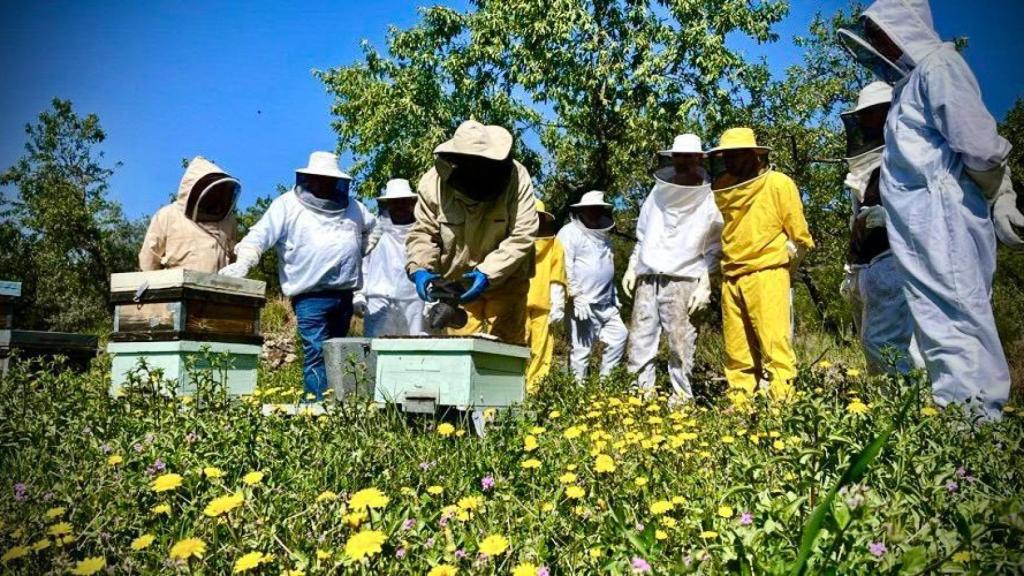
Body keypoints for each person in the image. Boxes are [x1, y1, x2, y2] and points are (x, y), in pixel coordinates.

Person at [840, 0, 1024, 419]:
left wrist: (1001, 192)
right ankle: (958, 425)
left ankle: (978, 429)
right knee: (937, 326)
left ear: (901, 25)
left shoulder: (939, 67)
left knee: (959, 321)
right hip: (921, 226)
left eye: (878, 32)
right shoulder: (909, 87)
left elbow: (977, 143)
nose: (875, 44)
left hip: (944, 219)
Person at [219, 151, 376, 400]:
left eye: (327, 179)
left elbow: (373, 227)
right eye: (318, 178)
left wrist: (362, 248)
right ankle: (317, 407)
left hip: (344, 295)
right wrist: (244, 262)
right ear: (308, 178)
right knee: (316, 350)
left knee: (338, 352)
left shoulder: (354, 207)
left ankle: (339, 406)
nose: (322, 183)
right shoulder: (286, 205)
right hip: (309, 296)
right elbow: (259, 236)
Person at [405, 120, 538, 344]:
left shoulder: (517, 176)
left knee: (508, 348)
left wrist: (488, 273)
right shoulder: (432, 184)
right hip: (457, 282)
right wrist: (420, 268)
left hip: (507, 276)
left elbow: (523, 233)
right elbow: (423, 233)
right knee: (461, 347)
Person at [708, 128, 814, 406]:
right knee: (737, 352)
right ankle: (741, 408)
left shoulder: (779, 183)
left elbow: (799, 235)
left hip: (767, 273)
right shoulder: (724, 187)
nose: (729, 161)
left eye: (735, 155)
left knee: (775, 349)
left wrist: (787, 268)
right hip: (731, 276)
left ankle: (782, 408)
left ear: (754, 155)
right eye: (725, 156)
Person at [621, 134, 723, 403]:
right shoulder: (658, 192)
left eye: (689, 156)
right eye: (679, 156)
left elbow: (714, 244)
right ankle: (640, 398)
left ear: (699, 158)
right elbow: (644, 232)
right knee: (640, 340)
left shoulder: (710, 198)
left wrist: (706, 281)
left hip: (685, 277)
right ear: (672, 157)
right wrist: (633, 265)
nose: (683, 161)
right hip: (648, 275)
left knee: (680, 343)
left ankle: (681, 401)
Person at [839, 82, 922, 375]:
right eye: (863, 115)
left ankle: (902, 409)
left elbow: (935, 208)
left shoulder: (912, 156)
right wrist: (851, 267)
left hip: (899, 260)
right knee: (891, 344)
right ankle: (903, 408)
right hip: (869, 267)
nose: (865, 121)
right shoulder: (862, 171)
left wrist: (891, 218)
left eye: (872, 113)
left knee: (882, 343)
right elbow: (856, 222)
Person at [558, 190, 628, 381]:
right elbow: (565, 265)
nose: (595, 213)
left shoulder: (603, 236)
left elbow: (608, 267)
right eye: (592, 209)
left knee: (620, 336)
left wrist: (615, 298)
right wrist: (575, 295)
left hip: (606, 304)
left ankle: (606, 386)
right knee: (581, 349)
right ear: (583, 210)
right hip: (582, 303)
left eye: (598, 209)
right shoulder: (569, 233)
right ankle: (576, 394)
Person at [353, 179, 426, 337]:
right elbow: (363, 265)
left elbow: (431, 266)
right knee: (377, 351)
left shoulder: (422, 233)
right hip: (378, 301)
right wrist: (359, 294)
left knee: (417, 351)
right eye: (395, 202)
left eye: (404, 202)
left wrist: (433, 300)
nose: (400, 207)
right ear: (388, 204)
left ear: (412, 204)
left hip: (415, 300)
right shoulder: (375, 232)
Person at [139, 157, 240, 272]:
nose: (215, 195)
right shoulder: (167, 215)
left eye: (219, 191)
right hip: (176, 288)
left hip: (217, 287)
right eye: (213, 190)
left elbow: (233, 261)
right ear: (194, 189)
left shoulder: (228, 220)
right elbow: (148, 260)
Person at [524, 199, 567, 392]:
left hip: (539, 305)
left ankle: (532, 391)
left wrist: (558, 302)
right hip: (517, 303)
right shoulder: (514, 242)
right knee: (517, 347)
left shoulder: (555, 245)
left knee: (540, 348)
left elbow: (557, 274)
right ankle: (517, 389)